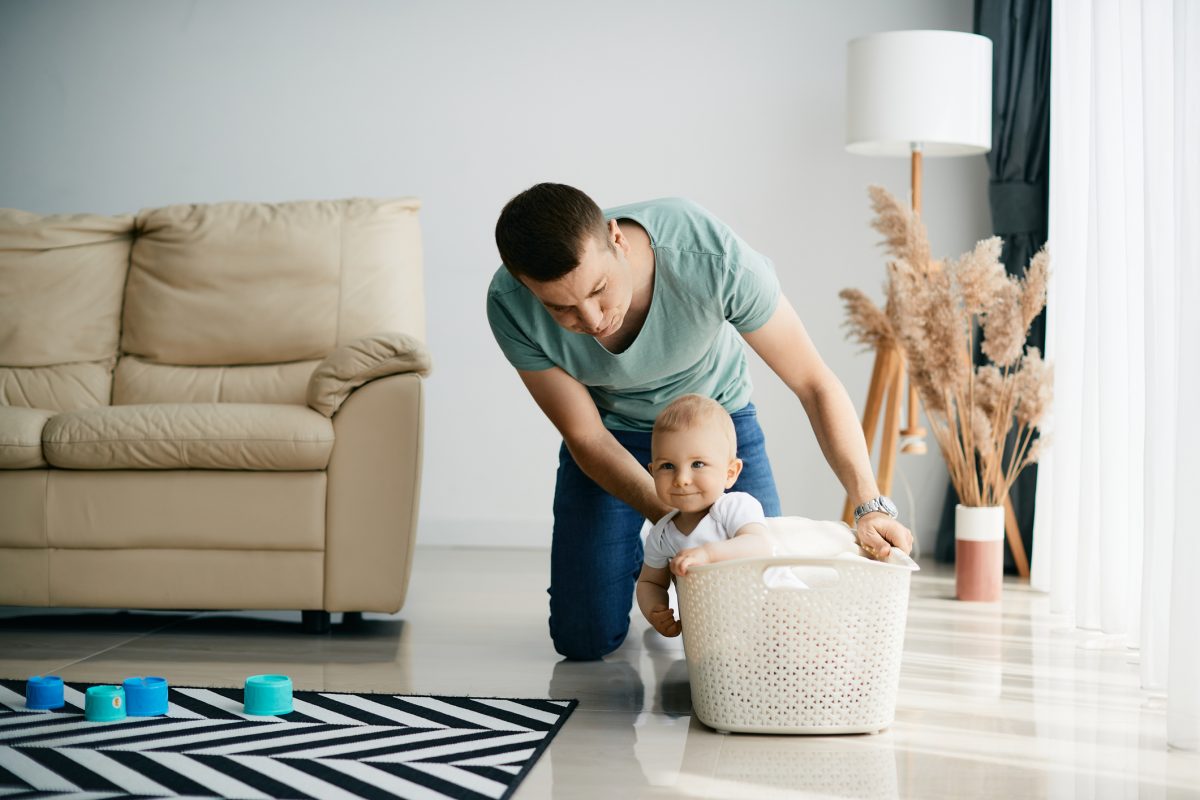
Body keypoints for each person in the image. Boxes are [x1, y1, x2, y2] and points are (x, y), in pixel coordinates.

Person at [487, 183, 913, 660]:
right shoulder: (508, 303)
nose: (590, 318)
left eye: (599, 289)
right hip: (611, 439)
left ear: (617, 239)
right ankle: (622, 552)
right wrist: (676, 528)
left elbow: (814, 382)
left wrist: (867, 503)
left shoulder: (708, 254)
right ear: (525, 287)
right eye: (560, 308)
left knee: (763, 608)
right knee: (582, 640)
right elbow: (585, 435)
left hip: (714, 427)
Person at [636, 394, 776, 637]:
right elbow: (650, 582)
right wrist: (655, 610)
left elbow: (759, 545)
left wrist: (708, 554)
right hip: (721, 628)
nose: (681, 479)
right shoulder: (662, 534)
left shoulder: (733, 507)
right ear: (652, 472)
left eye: (698, 464)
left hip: (775, 609)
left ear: (730, 472)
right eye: (667, 466)